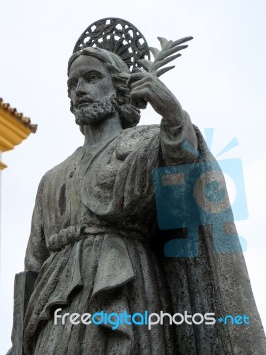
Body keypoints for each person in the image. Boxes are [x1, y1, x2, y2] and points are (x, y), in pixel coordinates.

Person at [8, 19, 266, 355]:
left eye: (91, 78)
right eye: (72, 84)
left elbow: (181, 180)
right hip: (53, 309)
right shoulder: (52, 178)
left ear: (118, 89)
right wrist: (18, 342)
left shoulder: (144, 142)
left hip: (126, 290)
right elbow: (32, 266)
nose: (79, 89)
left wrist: (173, 117)